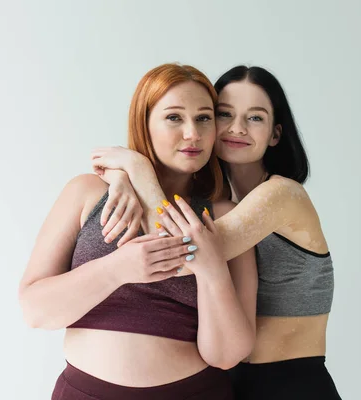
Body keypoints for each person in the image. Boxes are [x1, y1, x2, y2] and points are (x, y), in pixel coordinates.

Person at [91, 65, 342, 399]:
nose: (237, 128)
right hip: (231, 382)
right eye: (224, 114)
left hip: (290, 383)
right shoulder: (223, 203)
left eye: (255, 118)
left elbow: (176, 255)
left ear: (275, 134)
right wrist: (120, 177)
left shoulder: (283, 195)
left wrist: (136, 167)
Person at [18, 63, 256, 400]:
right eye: (174, 117)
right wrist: (118, 268)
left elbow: (229, 355)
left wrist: (212, 269)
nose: (193, 133)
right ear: (144, 123)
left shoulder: (224, 217)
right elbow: (35, 311)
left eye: (204, 118)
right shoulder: (87, 192)